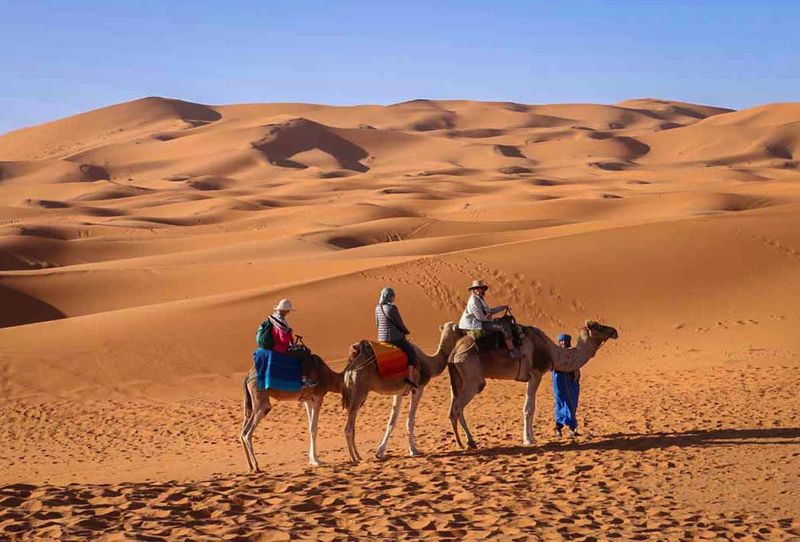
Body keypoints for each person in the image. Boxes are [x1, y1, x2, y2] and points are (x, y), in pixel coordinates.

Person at [457, 279, 518, 358]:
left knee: (501, 322)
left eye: (481, 288)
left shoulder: (480, 299)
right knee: (503, 326)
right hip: (473, 324)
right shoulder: (474, 301)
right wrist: (491, 320)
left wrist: (502, 308)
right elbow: (481, 317)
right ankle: (512, 351)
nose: (480, 290)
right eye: (477, 288)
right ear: (474, 290)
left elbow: (488, 311)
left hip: (479, 321)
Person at [265, 299, 316, 388]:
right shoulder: (280, 322)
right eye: (288, 310)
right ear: (284, 310)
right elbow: (283, 339)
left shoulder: (274, 318)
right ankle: (303, 380)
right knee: (305, 354)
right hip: (280, 349)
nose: (288, 312)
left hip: (276, 347)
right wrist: (289, 332)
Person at [375, 287, 418, 388]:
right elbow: (400, 324)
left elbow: (377, 324)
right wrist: (406, 331)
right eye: (393, 296)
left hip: (382, 339)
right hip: (394, 339)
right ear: (391, 297)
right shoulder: (392, 308)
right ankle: (410, 378)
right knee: (411, 353)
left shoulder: (377, 308)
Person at [552, 333, 580, 438]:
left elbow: (577, 364)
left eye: (565, 341)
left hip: (571, 382)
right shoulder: (555, 354)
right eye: (561, 341)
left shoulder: (573, 353)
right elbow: (551, 366)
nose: (563, 343)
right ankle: (558, 428)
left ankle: (572, 429)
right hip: (559, 383)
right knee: (560, 403)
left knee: (571, 404)